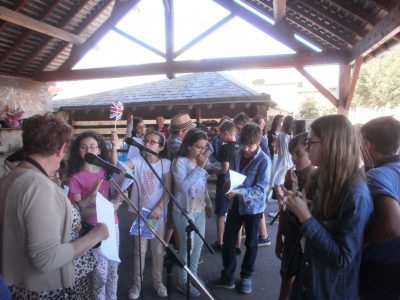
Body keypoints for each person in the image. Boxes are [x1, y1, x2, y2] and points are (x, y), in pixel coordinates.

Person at [0, 114, 108, 299]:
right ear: (61, 149)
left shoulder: (14, 176)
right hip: (48, 289)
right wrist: (94, 236)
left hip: (22, 284)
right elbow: (47, 259)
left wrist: (83, 203)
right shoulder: (39, 187)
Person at [284, 114, 373, 299]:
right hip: (307, 281)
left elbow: (342, 257)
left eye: (310, 142)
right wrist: (300, 207)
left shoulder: (356, 194)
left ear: (331, 144)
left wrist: (306, 217)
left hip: (328, 290)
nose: (306, 148)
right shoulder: (322, 179)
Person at [207, 122, 271, 294]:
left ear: (258, 142)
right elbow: (232, 175)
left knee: (251, 243)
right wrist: (229, 185)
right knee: (228, 240)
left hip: (254, 208)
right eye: (244, 144)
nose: (246, 149)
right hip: (236, 203)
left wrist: (238, 192)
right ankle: (227, 277)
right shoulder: (236, 153)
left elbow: (260, 190)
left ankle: (246, 276)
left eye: (250, 145)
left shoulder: (264, 161)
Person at [67, 130, 122, 300]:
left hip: (113, 225)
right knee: (100, 274)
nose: (89, 150)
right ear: (78, 150)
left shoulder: (106, 171)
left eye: (92, 146)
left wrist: (118, 199)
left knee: (113, 269)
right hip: (92, 228)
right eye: (84, 147)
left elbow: (117, 181)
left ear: (99, 150)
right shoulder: (75, 177)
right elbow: (79, 211)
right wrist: (106, 207)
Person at [120, 130, 171, 300]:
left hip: (158, 214)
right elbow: (119, 166)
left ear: (161, 147)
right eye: (146, 141)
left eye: (152, 142)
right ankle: (137, 284)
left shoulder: (165, 163)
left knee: (157, 250)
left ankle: (158, 282)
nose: (147, 144)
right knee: (139, 250)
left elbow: (168, 189)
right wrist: (114, 147)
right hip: (140, 214)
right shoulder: (137, 160)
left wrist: (159, 207)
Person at [359, 116, 400, 300]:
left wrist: (362, 241)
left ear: (367, 144)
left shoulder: (377, 175)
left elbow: (392, 224)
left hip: (382, 263)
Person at [171, 128, 212, 297]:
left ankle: (192, 275)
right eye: (198, 147)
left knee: (199, 244)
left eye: (204, 147)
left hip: (199, 209)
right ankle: (183, 280)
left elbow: (202, 186)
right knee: (188, 246)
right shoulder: (179, 162)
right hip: (183, 210)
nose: (202, 151)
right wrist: (200, 168)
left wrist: (208, 203)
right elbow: (182, 187)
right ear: (188, 146)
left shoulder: (200, 162)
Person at [275, 132, 315, 300]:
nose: (294, 158)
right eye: (292, 154)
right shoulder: (291, 175)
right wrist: (279, 236)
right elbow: (284, 208)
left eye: (298, 153)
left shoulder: (320, 180)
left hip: (309, 238)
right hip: (291, 234)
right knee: (286, 277)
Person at [165, 112, 195, 245]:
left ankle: (169, 247)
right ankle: (169, 249)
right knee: (175, 220)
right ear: (182, 131)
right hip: (175, 185)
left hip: (173, 184)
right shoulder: (176, 144)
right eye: (189, 130)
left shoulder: (174, 141)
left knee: (173, 220)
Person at [212, 121, 239, 252]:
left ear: (226, 133)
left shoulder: (225, 148)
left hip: (225, 182)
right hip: (238, 182)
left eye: (221, 133)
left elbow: (225, 168)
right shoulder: (241, 146)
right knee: (236, 214)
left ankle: (221, 242)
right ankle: (237, 244)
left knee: (221, 213)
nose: (220, 136)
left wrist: (214, 169)